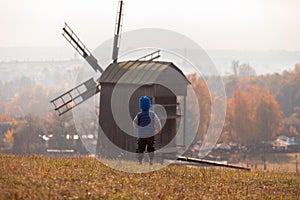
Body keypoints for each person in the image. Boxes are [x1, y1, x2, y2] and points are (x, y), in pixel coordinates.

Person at [133, 96, 161, 165]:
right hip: (150, 135)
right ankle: (151, 160)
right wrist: (158, 129)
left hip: (141, 135)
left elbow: (134, 123)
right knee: (150, 147)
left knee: (140, 148)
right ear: (149, 105)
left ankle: (140, 162)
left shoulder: (139, 115)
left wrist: (137, 127)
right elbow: (157, 122)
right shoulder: (152, 114)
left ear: (141, 105)